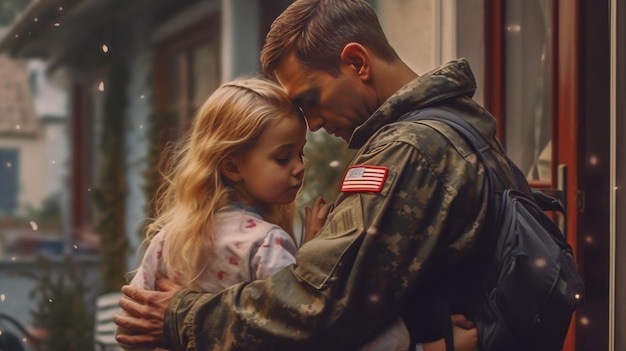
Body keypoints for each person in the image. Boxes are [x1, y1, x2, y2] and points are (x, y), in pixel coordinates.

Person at [113, 0, 518, 349]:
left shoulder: (408, 150)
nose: (315, 123)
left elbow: (317, 306)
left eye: (309, 99)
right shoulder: (457, 124)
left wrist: (181, 315)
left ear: (357, 62)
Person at [115, 76, 469, 351]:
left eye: (300, 154)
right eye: (283, 157)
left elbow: (130, 324)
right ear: (232, 166)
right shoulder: (265, 241)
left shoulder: (167, 238)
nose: (299, 168)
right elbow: (305, 324)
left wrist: (310, 251)